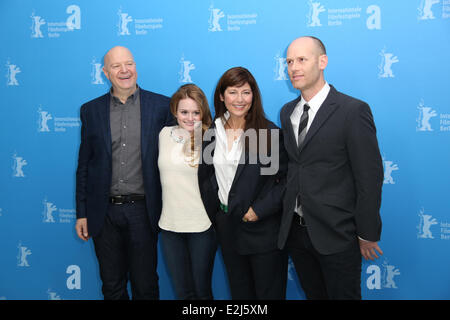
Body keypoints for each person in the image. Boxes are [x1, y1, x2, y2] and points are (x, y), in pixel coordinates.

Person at [277, 36, 384, 300]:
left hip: (337, 234)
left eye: (302, 59)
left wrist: (367, 232)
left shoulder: (352, 110)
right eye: (289, 61)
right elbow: (295, 167)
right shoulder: (287, 112)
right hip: (296, 232)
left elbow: (369, 177)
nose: (294, 67)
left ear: (322, 61)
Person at [75, 46, 172, 300]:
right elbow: (85, 164)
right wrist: (82, 212)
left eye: (129, 63)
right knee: (112, 286)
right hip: (103, 213)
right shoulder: (90, 110)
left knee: (146, 285)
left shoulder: (162, 106)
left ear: (136, 67)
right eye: (116, 66)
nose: (124, 70)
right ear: (105, 72)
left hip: (143, 210)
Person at [198, 67, 288, 299]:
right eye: (233, 92)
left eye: (246, 93)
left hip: (263, 230)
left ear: (254, 96)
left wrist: (258, 210)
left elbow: (284, 181)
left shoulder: (266, 133)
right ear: (221, 95)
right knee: (240, 296)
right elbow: (208, 176)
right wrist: (216, 214)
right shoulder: (212, 132)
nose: (240, 99)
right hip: (228, 229)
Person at [158, 84, 217, 300]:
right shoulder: (163, 135)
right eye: (184, 112)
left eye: (196, 112)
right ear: (175, 111)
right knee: (183, 293)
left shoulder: (210, 138)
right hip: (169, 227)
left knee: (202, 292)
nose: (190, 118)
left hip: (201, 226)